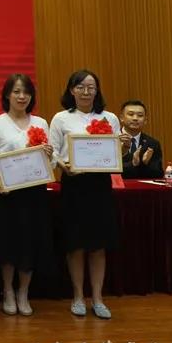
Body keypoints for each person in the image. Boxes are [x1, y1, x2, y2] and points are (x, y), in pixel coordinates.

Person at [49, 69, 129, 319]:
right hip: (73, 185)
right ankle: (77, 297)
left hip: (100, 186)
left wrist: (124, 147)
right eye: (80, 87)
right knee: (75, 244)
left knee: (98, 245)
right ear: (71, 90)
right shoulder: (61, 118)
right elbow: (52, 151)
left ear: (97, 91)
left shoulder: (109, 118)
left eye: (91, 87)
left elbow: (115, 154)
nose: (86, 91)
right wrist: (63, 165)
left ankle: (97, 298)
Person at [0, 74, 54, 316]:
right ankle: (8, 291)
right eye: (17, 91)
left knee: (30, 244)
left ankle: (23, 292)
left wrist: (49, 155)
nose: (22, 96)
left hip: (35, 194)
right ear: (7, 95)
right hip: (7, 195)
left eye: (26, 92)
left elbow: (51, 162)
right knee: (8, 244)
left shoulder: (41, 123)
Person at [119, 100, 163, 179]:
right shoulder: (113, 140)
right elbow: (109, 172)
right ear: (121, 118)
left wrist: (144, 163)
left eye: (140, 115)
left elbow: (158, 174)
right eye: (131, 114)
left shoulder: (152, 143)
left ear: (145, 120)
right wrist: (133, 164)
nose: (135, 118)